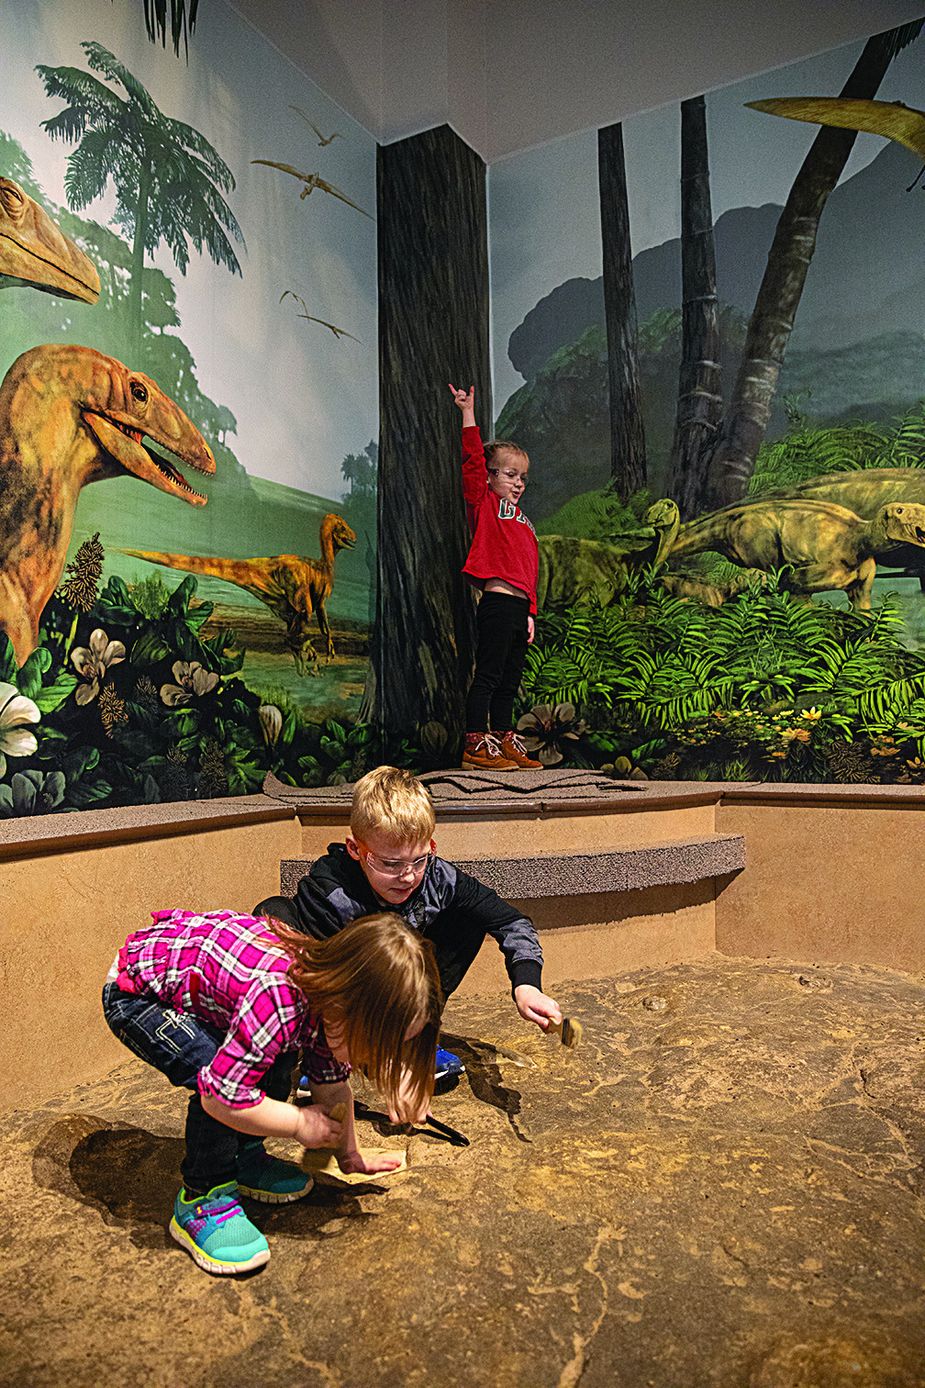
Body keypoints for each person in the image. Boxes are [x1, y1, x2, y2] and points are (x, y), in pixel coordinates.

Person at [101, 909, 441, 1276]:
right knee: (215, 1075)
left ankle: (243, 1158)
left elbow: (332, 1086)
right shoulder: (277, 996)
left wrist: (350, 1155)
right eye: (377, 1045)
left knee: (275, 1061)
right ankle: (202, 1199)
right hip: (138, 994)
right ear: (344, 1010)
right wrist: (296, 1121)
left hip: (204, 990)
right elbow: (221, 1096)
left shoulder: (331, 998)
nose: (380, 1059)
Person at [255, 765, 561, 1088]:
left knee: (467, 918)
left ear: (431, 847)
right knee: (273, 918)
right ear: (356, 849)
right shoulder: (328, 889)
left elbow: (510, 920)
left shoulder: (438, 877)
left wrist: (527, 984)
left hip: (396, 995)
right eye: (390, 863)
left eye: (419, 859)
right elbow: (331, 982)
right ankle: (322, 1057)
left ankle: (415, 1038)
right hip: (340, 995)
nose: (408, 876)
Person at [449, 381, 544, 771]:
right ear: (489, 478)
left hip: (519, 607)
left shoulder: (524, 522)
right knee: (488, 674)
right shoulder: (484, 503)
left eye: (522, 477)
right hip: (497, 602)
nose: (518, 483)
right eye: (509, 475)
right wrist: (467, 413)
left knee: (510, 678)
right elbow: (472, 460)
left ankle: (505, 740)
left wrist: (531, 612)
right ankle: (475, 743)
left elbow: (529, 570)